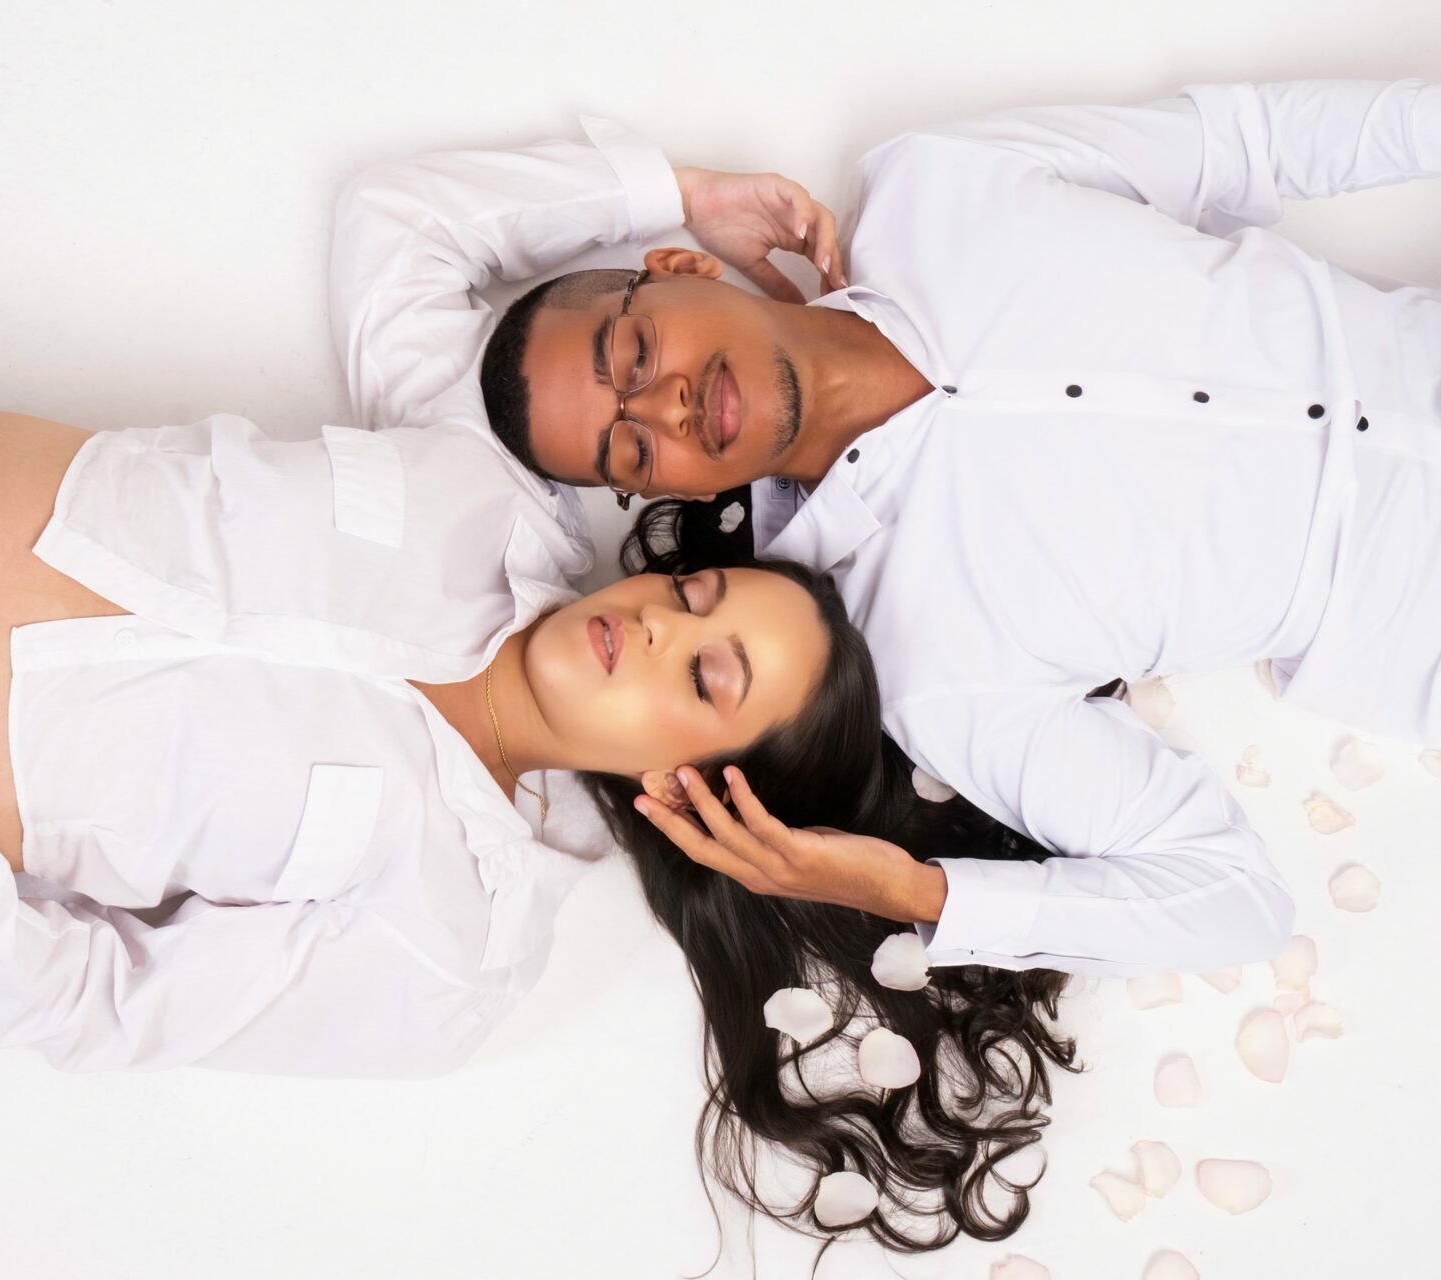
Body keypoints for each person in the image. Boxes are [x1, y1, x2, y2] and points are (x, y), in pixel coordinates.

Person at [0, 285, 1077, 1246]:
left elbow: (101, 1009)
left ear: (701, 790)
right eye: (697, 595)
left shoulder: (456, 948)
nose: (656, 624)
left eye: (706, 676)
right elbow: (419, 240)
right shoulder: (488, 489)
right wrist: (679, 201)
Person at [337, 79, 1441, 979]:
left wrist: (677, 187)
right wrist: (907, 892)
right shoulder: (932, 668)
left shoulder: (941, 183)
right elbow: (1234, 900)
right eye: (629, 451)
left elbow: (1248, 145)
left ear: (674, 266)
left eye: (633, 355)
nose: (664, 407)